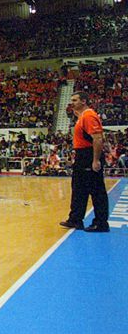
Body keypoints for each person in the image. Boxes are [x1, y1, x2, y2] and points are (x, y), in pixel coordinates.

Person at [60, 92, 110, 232]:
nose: (72, 102)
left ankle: (101, 223)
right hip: (82, 156)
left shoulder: (88, 116)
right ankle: (75, 219)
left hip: (88, 155)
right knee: (78, 189)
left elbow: (98, 139)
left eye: (75, 100)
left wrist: (95, 160)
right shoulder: (83, 116)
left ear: (84, 101)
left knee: (96, 190)